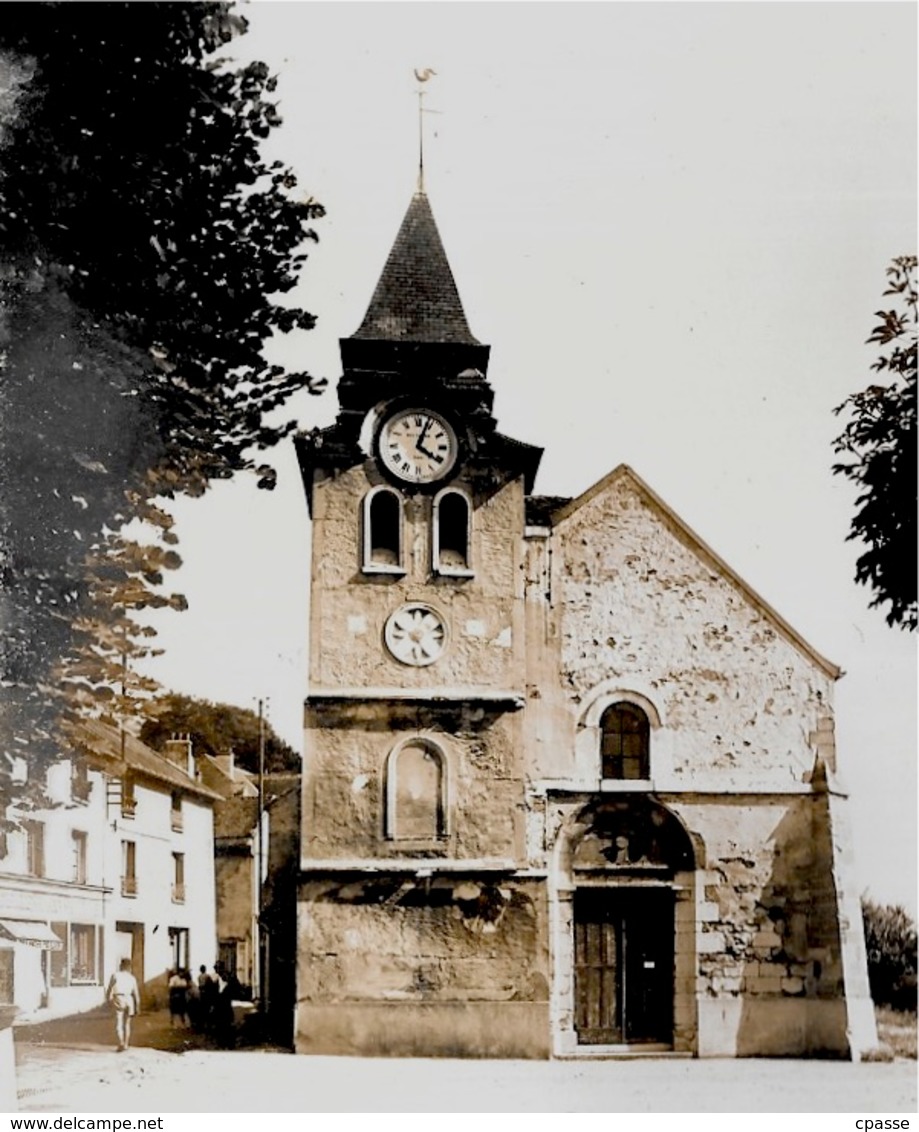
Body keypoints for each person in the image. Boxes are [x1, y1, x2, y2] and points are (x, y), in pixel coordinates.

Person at [106, 958, 140, 1052]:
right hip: (129, 999)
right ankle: (126, 1044)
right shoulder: (132, 978)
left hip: (119, 998)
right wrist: (137, 1006)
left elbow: (109, 989)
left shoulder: (115, 975)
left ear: (121, 965)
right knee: (127, 1024)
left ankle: (121, 1043)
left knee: (118, 1022)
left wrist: (108, 1000)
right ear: (129, 967)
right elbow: (136, 994)